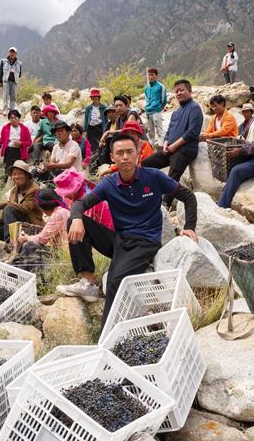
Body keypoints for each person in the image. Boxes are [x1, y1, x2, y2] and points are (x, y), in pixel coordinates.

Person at [57, 132, 199, 326]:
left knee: (116, 280)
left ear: (138, 153)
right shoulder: (109, 183)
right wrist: (76, 219)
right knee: (73, 222)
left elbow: (188, 197)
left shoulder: (154, 176)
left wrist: (189, 227)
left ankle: (106, 336)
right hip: (120, 239)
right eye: (120, 153)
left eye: (129, 152)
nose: (125, 157)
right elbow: (80, 203)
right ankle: (88, 282)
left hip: (145, 241)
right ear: (112, 157)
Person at [141, 79, 204, 206]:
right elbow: (169, 131)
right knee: (145, 164)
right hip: (170, 149)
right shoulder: (176, 112)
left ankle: (165, 204)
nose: (179, 93)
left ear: (190, 91)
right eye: (177, 91)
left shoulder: (195, 108)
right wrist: (165, 143)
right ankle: (152, 192)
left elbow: (192, 132)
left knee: (172, 176)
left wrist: (174, 145)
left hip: (185, 149)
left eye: (182, 90)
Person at [0, 160, 42, 251]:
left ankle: (11, 242)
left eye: (19, 174)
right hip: (15, 226)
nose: (16, 177)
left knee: (9, 208)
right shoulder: (15, 190)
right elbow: (9, 212)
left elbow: (25, 208)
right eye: (14, 174)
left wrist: (6, 204)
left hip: (30, 226)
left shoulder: (34, 190)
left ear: (26, 176)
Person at [11, 188, 70, 276]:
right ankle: (15, 272)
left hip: (63, 254)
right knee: (27, 247)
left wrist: (26, 238)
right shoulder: (63, 211)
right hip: (64, 251)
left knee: (28, 246)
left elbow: (42, 239)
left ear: (42, 208)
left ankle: (19, 276)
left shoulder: (58, 215)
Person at [0, 109, 32, 183]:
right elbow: (2, 139)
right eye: (11, 118)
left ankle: (21, 184)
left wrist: (21, 143)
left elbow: (29, 142)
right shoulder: (5, 128)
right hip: (9, 151)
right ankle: (6, 184)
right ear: (9, 119)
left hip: (20, 151)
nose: (13, 120)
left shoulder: (24, 129)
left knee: (20, 169)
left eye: (15, 118)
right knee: (9, 169)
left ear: (19, 118)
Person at [144, 68, 167, 146]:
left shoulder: (161, 86)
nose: (150, 77)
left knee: (159, 131)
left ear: (156, 76)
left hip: (157, 110)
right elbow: (146, 99)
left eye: (152, 75)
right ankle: (151, 148)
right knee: (150, 132)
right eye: (149, 75)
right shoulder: (146, 88)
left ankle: (160, 147)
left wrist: (160, 107)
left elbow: (164, 99)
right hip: (148, 111)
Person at [82, 88, 108, 154]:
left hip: (99, 128)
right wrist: (85, 130)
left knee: (100, 143)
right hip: (91, 128)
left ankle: (100, 155)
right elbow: (86, 118)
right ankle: (93, 157)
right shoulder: (88, 108)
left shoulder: (103, 107)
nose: (95, 98)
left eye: (96, 97)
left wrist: (106, 128)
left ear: (99, 97)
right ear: (91, 98)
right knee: (91, 144)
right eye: (93, 97)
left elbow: (105, 119)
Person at [0, 47, 22, 113]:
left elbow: (20, 74)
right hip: (6, 81)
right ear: (9, 53)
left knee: (13, 96)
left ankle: (12, 110)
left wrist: (15, 76)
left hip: (14, 82)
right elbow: (0, 72)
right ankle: (5, 110)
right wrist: (0, 81)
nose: (12, 53)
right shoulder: (4, 61)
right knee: (5, 95)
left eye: (13, 52)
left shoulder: (19, 63)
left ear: (16, 53)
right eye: (11, 52)